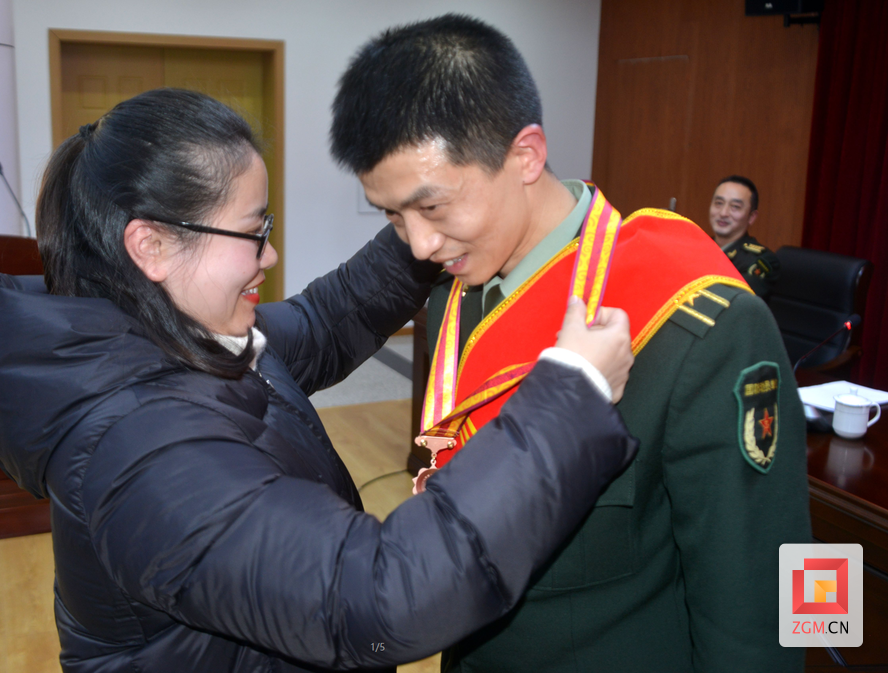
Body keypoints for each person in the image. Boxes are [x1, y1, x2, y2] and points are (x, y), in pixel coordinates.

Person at [0, 88, 638, 673]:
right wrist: (570, 394)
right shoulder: (138, 452)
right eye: (253, 231)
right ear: (152, 246)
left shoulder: (183, 335)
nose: (271, 254)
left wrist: (432, 220)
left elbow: (329, 317)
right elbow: (379, 596)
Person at [330, 15, 811, 672]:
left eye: (433, 207)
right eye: (392, 215)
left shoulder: (697, 321)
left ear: (526, 155)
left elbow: (757, 604)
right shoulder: (455, 293)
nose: (418, 245)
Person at [710, 175, 781, 300]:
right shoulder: (697, 247)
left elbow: (731, 302)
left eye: (735, 207)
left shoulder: (762, 261)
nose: (723, 213)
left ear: (751, 217)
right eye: (719, 203)